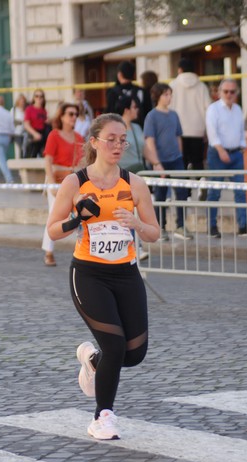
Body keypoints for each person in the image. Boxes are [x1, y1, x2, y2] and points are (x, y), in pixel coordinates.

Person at [46, 113, 160, 440]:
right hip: (89, 274)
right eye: (111, 139)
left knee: (134, 354)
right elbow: (53, 231)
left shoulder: (134, 183)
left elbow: (154, 232)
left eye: (122, 139)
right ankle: (102, 417)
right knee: (115, 344)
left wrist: (136, 224)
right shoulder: (75, 183)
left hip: (126, 274)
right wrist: (76, 220)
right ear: (94, 142)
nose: (118, 145)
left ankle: (92, 360)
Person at [205, 78, 247, 238]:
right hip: (217, 154)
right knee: (214, 192)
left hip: (236, 154)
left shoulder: (237, 109)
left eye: (232, 91)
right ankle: (212, 226)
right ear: (220, 92)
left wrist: (242, 146)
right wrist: (221, 151)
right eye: (226, 91)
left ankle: (243, 226)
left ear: (237, 93)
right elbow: (212, 133)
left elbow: (241, 131)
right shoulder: (213, 109)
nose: (229, 94)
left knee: (241, 191)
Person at [143, 82, 192, 241]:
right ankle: (160, 227)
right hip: (160, 161)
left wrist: (180, 155)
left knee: (182, 193)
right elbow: (150, 141)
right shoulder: (152, 116)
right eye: (166, 94)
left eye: (170, 94)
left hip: (176, 159)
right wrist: (157, 163)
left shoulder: (174, 114)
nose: (169, 97)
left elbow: (178, 136)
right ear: (158, 96)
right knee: (160, 195)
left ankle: (181, 225)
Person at [115, 95, 158, 261]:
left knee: (139, 212)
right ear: (126, 109)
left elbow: (145, 149)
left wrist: (157, 163)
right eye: (134, 107)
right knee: (128, 211)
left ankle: (135, 246)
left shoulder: (137, 128)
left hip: (139, 174)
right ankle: (135, 247)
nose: (137, 110)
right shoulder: (117, 129)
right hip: (123, 174)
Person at [42, 102, 84, 267]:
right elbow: (48, 161)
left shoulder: (79, 137)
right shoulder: (54, 135)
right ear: (62, 116)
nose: (74, 117)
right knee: (54, 214)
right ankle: (49, 251)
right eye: (70, 114)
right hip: (57, 179)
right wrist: (51, 183)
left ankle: (82, 249)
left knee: (80, 214)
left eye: (76, 114)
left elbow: (82, 161)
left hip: (73, 180)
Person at [170, 58, 211, 200]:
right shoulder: (201, 86)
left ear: (180, 69)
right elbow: (208, 108)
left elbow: (170, 108)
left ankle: (186, 194)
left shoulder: (173, 85)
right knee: (198, 160)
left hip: (179, 131)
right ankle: (201, 182)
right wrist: (206, 129)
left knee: (183, 162)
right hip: (197, 130)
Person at [106, 61, 146, 127]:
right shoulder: (141, 91)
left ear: (119, 74)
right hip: (139, 129)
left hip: (117, 129)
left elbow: (109, 114)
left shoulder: (112, 92)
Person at [23, 89, 50, 158]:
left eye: (41, 97)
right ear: (33, 98)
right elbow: (26, 124)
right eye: (36, 96)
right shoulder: (29, 109)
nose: (39, 98)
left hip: (42, 135)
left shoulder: (44, 111)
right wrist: (34, 134)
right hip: (33, 135)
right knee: (30, 157)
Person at [10, 94, 28, 158]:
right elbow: (11, 120)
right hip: (17, 132)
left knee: (25, 147)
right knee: (21, 147)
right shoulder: (14, 110)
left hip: (26, 132)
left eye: (23, 101)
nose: (22, 103)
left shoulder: (27, 110)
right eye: (20, 101)